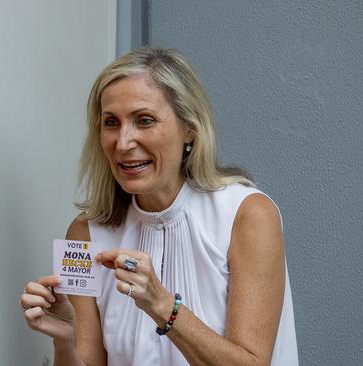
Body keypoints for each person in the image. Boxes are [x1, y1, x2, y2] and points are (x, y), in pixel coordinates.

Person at [20, 47, 298, 365]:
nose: (123, 143)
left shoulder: (247, 216)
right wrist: (64, 340)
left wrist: (162, 304)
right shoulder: (84, 235)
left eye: (145, 120)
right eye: (111, 122)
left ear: (189, 128)